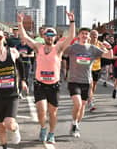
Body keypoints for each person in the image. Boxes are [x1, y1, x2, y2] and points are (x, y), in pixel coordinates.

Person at [17, 11, 75, 143]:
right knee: (41, 110)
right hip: (40, 84)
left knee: (53, 113)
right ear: (43, 36)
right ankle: (43, 128)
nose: (49, 37)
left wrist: (72, 22)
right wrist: (20, 23)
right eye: (47, 34)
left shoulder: (59, 48)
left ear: (55, 37)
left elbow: (71, 36)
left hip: (54, 85)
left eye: (52, 34)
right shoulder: (38, 47)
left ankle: (52, 133)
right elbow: (25, 38)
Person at [65, 27, 113, 138]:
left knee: (82, 106)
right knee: (77, 103)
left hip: (86, 81)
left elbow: (109, 56)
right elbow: (59, 50)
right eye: (82, 34)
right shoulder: (73, 48)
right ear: (78, 35)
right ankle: (74, 122)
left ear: (89, 36)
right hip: (74, 80)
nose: (85, 36)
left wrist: (109, 47)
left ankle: (76, 124)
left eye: (86, 34)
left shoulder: (93, 49)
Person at [0, 27, 28, 149]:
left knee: (9, 123)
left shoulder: (13, 52)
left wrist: (23, 80)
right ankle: (4, 146)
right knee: (0, 126)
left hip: (12, 95)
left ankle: (15, 129)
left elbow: (20, 65)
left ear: (4, 38)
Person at [88, 30, 104, 111]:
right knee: (90, 85)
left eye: (96, 35)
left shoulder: (100, 44)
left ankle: (91, 96)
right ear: (90, 35)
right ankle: (90, 102)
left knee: (94, 84)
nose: (95, 36)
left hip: (97, 67)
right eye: (93, 34)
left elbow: (104, 53)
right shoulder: (87, 43)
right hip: (88, 67)